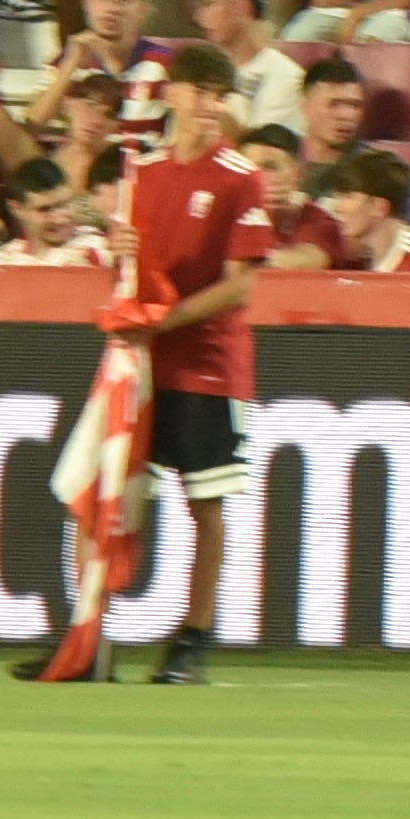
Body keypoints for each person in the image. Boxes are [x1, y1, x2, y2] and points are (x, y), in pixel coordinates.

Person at [84, 43, 275, 688]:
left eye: (220, 94)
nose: (210, 105)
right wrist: (121, 255)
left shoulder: (239, 178)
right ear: (172, 95)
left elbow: (238, 288)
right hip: (144, 364)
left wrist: (162, 321)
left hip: (208, 365)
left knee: (206, 506)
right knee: (113, 497)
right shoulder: (145, 174)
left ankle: (193, 637)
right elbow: (133, 276)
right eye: (199, 91)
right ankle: (89, 636)